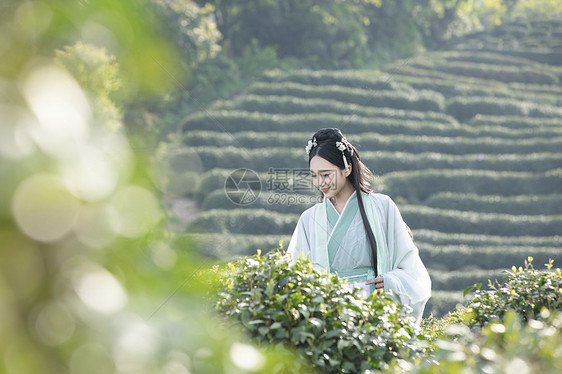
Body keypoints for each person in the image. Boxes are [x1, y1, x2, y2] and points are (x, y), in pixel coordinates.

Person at [287, 128, 431, 322]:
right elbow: (294, 274)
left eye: (326, 174)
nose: (320, 182)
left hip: (374, 312)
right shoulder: (309, 218)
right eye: (314, 175)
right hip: (329, 317)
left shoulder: (382, 206)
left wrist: (391, 283)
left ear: (347, 168)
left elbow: (411, 267)